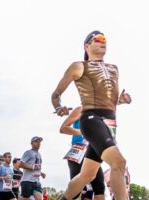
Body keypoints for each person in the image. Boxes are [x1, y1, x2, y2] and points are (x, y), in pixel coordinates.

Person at [51, 31, 131, 200]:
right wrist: (58, 108)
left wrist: (121, 101)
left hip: (110, 124)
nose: (103, 42)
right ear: (86, 45)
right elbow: (56, 94)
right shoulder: (79, 66)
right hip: (91, 119)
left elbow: (108, 100)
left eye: (105, 39)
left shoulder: (114, 69)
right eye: (98, 39)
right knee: (119, 163)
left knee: (86, 176)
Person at [60, 106, 105, 200]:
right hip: (78, 151)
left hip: (92, 153)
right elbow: (63, 128)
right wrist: (82, 132)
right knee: (75, 192)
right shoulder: (81, 109)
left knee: (99, 188)